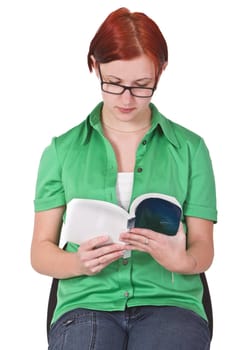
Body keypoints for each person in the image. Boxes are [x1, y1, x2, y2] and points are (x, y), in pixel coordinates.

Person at [31, 7, 217, 350]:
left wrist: (182, 260)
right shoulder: (61, 151)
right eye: (114, 84)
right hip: (87, 304)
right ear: (94, 65)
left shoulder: (191, 149)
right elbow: (40, 252)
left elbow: (204, 247)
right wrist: (76, 262)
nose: (127, 99)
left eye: (142, 86)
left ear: (160, 72)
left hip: (170, 303)